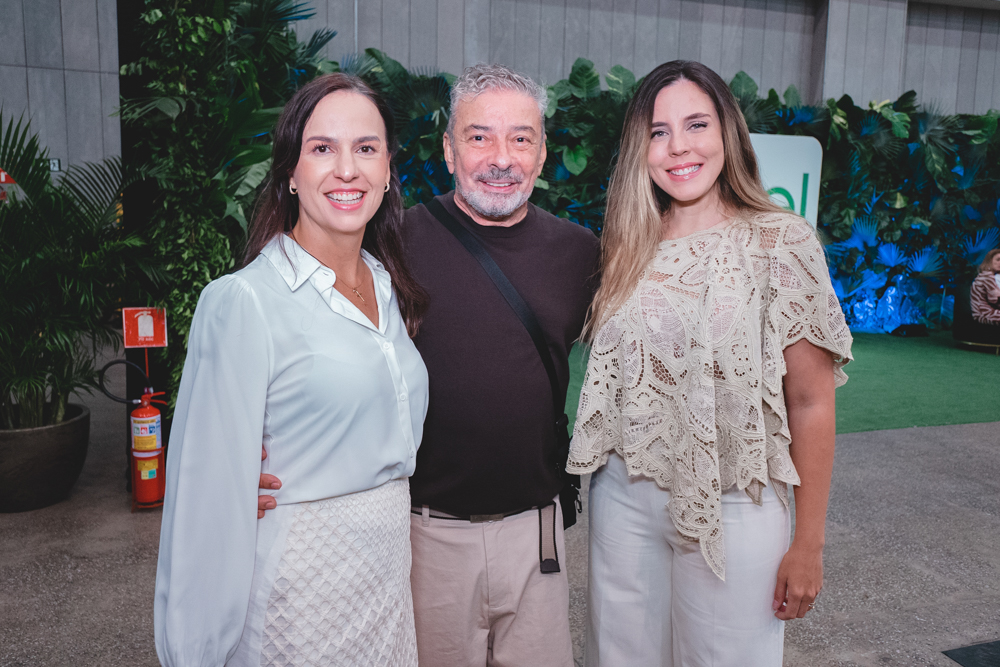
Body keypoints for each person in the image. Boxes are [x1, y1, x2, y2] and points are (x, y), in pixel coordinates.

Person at [258, 64, 600, 667]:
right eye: (479, 136)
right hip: (425, 536)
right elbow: (311, 342)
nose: (501, 157)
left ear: (543, 153)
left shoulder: (580, 255)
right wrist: (259, 449)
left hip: (538, 535)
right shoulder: (394, 244)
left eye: (521, 138)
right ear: (447, 149)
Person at [568, 60, 853, 666]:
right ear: (639, 150)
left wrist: (809, 542)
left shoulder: (782, 241)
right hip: (623, 493)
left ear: (727, 131)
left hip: (736, 498)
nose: (678, 147)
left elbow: (811, 400)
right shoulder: (626, 244)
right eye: (658, 132)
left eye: (695, 124)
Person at [154, 73, 429, 666]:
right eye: (322, 148)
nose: (347, 170)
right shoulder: (245, 301)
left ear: (387, 170)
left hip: (386, 580)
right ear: (290, 173)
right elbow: (204, 506)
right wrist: (193, 651)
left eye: (366, 148)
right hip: (299, 592)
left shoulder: (388, 287)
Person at [970, 248, 1000, 325]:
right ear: (990, 261)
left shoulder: (984, 275)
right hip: (984, 313)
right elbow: (994, 299)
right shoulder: (987, 276)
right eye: (998, 260)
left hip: (984, 311)